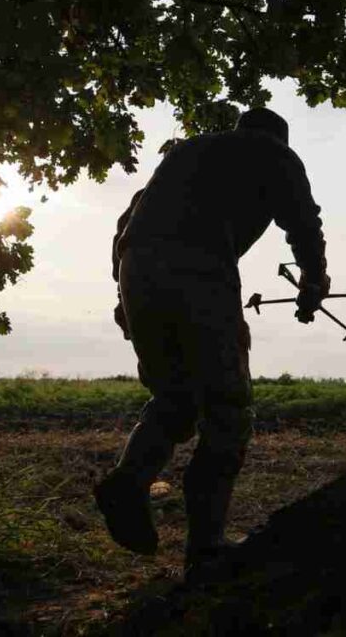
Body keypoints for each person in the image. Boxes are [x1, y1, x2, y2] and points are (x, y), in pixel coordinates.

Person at [93, 107, 330, 578]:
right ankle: (205, 548)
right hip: (198, 269)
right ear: (277, 137)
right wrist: (314, 279)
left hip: (136, 271)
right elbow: (303, 221)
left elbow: (127, 223)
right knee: (228, 408)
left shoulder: (183, 154)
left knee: (175, 397)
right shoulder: (273, 152)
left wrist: (125, 298)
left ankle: (129, 481)